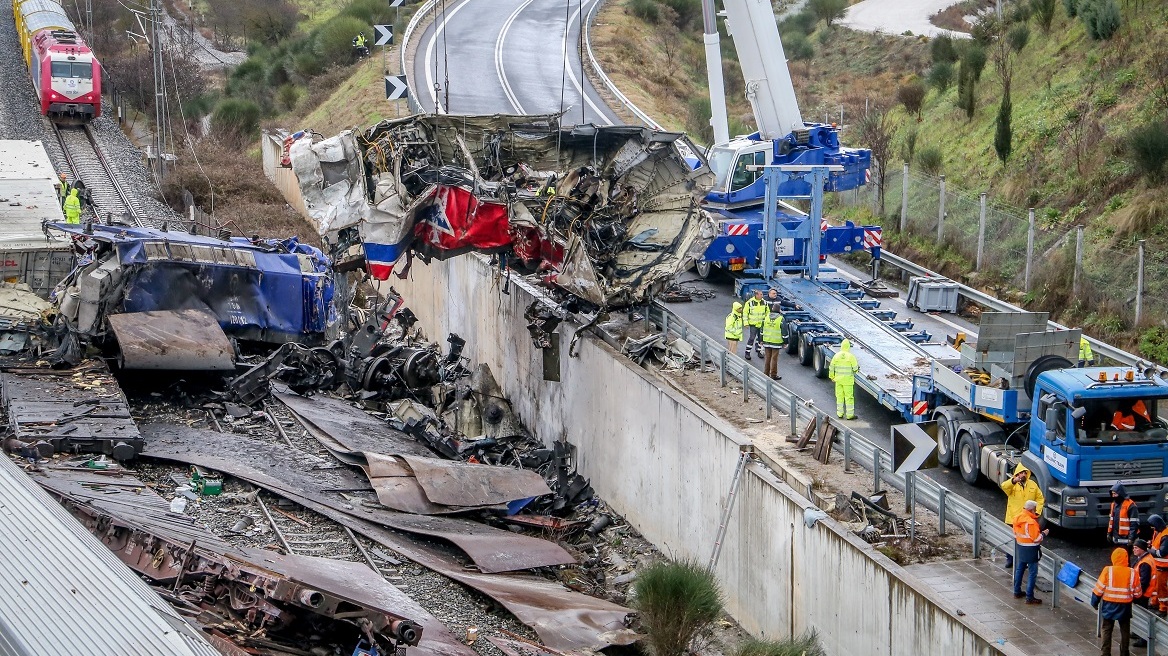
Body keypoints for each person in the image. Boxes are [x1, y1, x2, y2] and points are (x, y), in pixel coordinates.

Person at [1091, 547, 1140, 656]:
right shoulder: (1132, 572)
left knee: (1106, 629)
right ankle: (1124, 652)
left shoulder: (1108, 570)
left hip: (1109, 604)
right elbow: (1138, 593)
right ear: (1126, 558)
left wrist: (1094, 602)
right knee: (1125, 630)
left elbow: (1098, 589)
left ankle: (1106, 653)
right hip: (1125, 606)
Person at [1000, 464, 1045, 569]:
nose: (1023, 475)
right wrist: (1013, 481)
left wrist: (1037, 512)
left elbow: (1040, 498)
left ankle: (1023, 561)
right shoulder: (1012, 484)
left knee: (1025, 542)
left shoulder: (1032, 485)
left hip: (1027, 520)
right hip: (1014, 518)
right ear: (1017, 473)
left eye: (1025, 473)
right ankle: (1010, 559)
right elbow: (1004, 486)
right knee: (1011, 540)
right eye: (1021, 473)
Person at [1013, 499, 1048, 604]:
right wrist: (1044, 534)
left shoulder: (1018, 518)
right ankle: (1029, 597)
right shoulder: (1031, 522)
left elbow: (1015, 533)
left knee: (1020, 569)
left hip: (1021, 547)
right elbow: (1036, 538)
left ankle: (1016, 591)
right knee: (1032, 573)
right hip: (1031, 549)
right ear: (1032, 510)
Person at [828, 339, 859, 419]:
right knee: (849, 398)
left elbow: (831, 367)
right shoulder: (851, 356)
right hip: (848, 381)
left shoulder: (836, 356)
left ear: (841, 346)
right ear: (848, 347)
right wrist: (856, 370)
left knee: (839, 397)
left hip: (838, 380)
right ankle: (849, 415)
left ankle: (840, 413)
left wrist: (832, 377)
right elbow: (855, 368)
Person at [1133, 539, 1156, 648]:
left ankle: (1143, 639)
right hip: (1144, 594)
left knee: (1142, 616)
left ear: (1142, 549)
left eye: (1136, 548)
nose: (1134, 549)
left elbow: (1143, 582)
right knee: (1140, 615)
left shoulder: (1145, 563)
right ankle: (1138, 633)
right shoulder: (1145, 559)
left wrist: (1137, 594)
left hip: (1142, 594)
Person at [1108, 483, 1139, 549]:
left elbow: (1134, 523)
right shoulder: (1113, 504)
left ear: (1120, 493)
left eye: (1115, 494)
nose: (1113, 496)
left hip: (1126, 539)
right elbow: (1111, 521)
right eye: (1112, 494)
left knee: (1124, 557)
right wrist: (1109, 533)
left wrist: (1131, 538)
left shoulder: (1130, 505)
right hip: (1116, 539)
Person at [1148, 514, 1168, 616]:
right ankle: (1155, 602)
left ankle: (1163, 608)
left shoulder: (1166, 536)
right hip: (1158, 566)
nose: (1152, 528)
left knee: (1161, 588)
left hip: (1163, 567)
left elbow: (1161, 553)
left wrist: (1150, 550)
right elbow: (1156, 544)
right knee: (1156, 585)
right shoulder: (1160, 533)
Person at [743, 289, 768, 360]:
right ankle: (747, 353)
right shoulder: (750, 303)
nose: (762, 296)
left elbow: (767, 313)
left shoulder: (764, 303)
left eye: (762, 294)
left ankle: (760, 351)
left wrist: (766, 322)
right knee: (751, 338)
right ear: (756, 295)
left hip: (761, 324)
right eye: (761, 294)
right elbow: (745, 313)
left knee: (761, 339)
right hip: (753, 324)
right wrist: (746, 323)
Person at [761, 309, 783, 381]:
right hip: (776, 342)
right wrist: (785, 342)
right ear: (779, 310)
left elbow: (762, 330)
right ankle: (773, 374)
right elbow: (784, 332)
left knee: (767, 358)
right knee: (774, 359)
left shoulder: (766, 317)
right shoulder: (781, 319)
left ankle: (766, 373)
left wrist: (761, 340)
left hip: (767, 341)